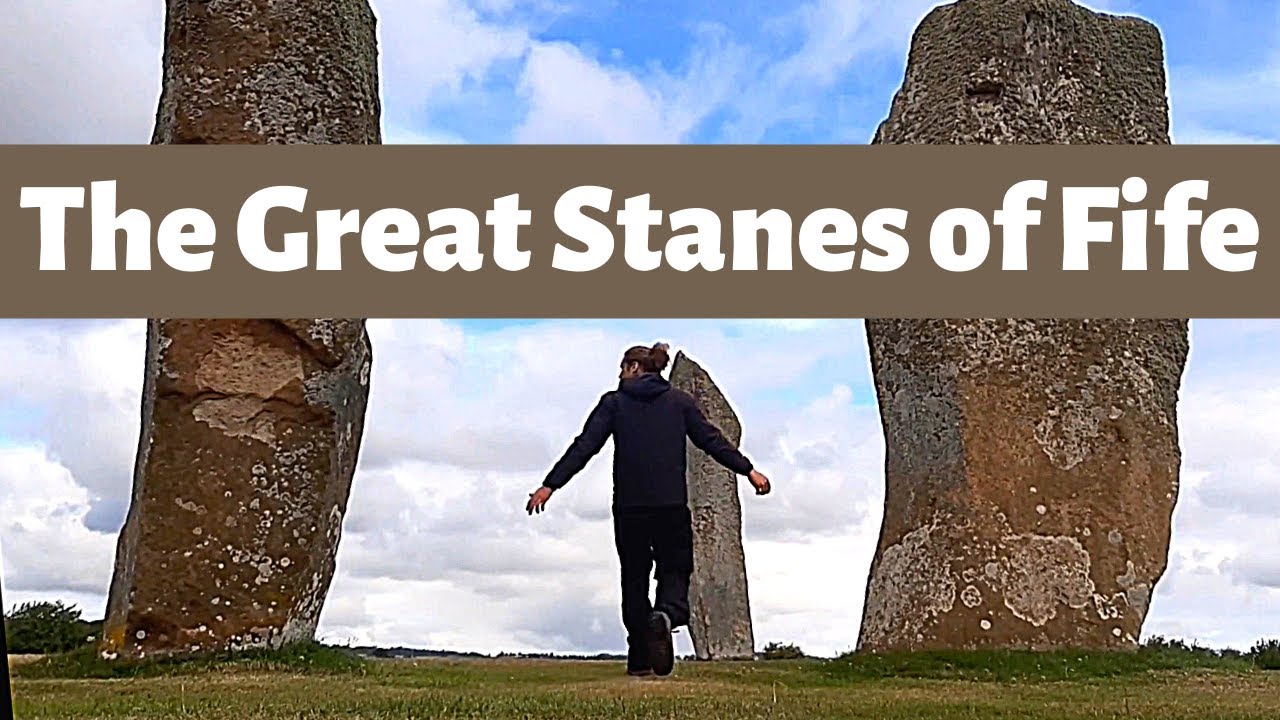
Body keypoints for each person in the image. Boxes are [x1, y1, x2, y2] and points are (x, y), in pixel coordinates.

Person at [525, 342, 772, 678]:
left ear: (635, 368)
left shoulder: (614, 404)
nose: (618, 374)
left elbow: (584, 446)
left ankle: (640, 658)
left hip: (629, 508)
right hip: (671, 506)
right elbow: (711, 440)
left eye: (622, 367)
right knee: (675, 570)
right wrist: (748, 470)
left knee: (634, 580)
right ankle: (667, 615)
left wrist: (550, 485)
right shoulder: (680, 403)